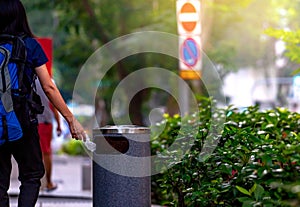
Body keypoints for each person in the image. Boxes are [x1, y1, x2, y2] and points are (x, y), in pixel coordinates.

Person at [0, 1, 86, 206]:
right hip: (23, 121)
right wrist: (71, 119)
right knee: (31, 175)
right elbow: (49, 87)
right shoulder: (30, 45)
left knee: (0, 182)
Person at [36, 79, 62, 192]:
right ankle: (49, 182)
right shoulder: (49, 81)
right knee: (46, 152)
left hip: (31, 121)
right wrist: (59, 124)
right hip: (45, 121)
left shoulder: (25, 76)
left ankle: (36, 182)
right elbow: (54, 104)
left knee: (35, 152)